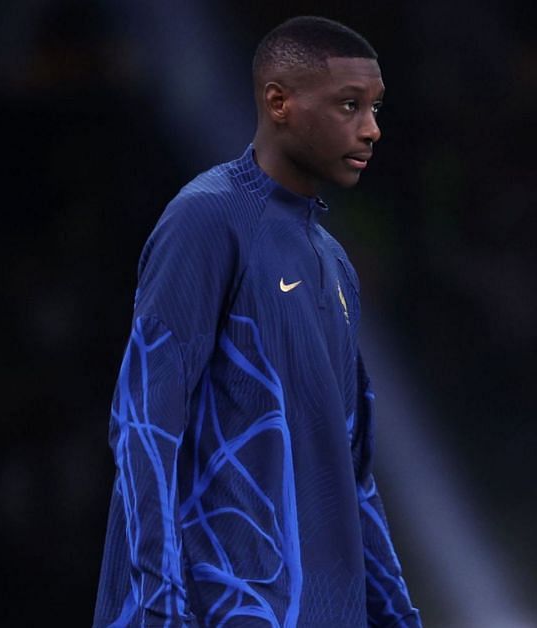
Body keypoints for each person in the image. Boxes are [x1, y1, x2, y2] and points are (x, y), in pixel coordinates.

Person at [93, 16, 421, 627]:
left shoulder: (334, 264)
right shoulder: (206, 220)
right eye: (350, 105)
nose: (372, 129)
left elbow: (355, 478)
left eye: (375, 107)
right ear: (279, 102)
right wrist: (162, 608)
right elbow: (143, 425)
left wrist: (401, 618)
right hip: (217, 611)